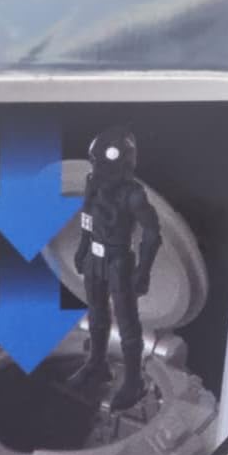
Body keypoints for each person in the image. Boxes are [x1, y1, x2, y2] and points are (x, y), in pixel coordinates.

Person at [73, 127, 162, 409]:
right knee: (96, 315)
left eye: (106, 166)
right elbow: (87, 215)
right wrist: (83, 246)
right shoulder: (93, 183)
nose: (101, 172)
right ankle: (97, 364)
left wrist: (144, 270)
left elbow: (152, 233)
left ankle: (134, 382)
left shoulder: (134, 195)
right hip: (95, 257)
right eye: (97, 165)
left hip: (118, 260)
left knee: (127, 324)